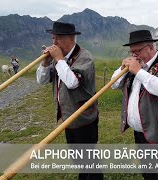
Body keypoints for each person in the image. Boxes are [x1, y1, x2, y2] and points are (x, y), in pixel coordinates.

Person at [36, 21, 103, 180]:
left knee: (89, 158)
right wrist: (45, 64)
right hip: (68, 116)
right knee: (78, 156)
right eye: (53, 39)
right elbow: (42, 80)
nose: (54, 43)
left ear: (72, 38)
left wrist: (59, 60)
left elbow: (72, 82)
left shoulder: (84, 57)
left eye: (58, 38)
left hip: (84, 117)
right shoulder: (57, 58)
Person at [111, 30, 158, 180]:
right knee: (147, 173)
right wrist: (122, 68)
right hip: (141, 132)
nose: (134, 55)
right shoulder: (134, 65)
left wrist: (138, 72)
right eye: (131, 52)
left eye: (137, 51)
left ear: (150, 47)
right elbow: (114, 85)